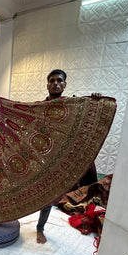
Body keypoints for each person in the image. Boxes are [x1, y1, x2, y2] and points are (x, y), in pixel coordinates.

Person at [36, 69, 98, 244]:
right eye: (52, 80)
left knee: (51, 194)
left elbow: (89, 115)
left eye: (59, 81)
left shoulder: (72, 105)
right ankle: (36, 227)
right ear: (47, 84)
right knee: (40, 194)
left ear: (65, 84)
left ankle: (40, 228)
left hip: (62, 157)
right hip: (44, 157)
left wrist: (95, 101)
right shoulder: (39, 107)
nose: (56, 83)